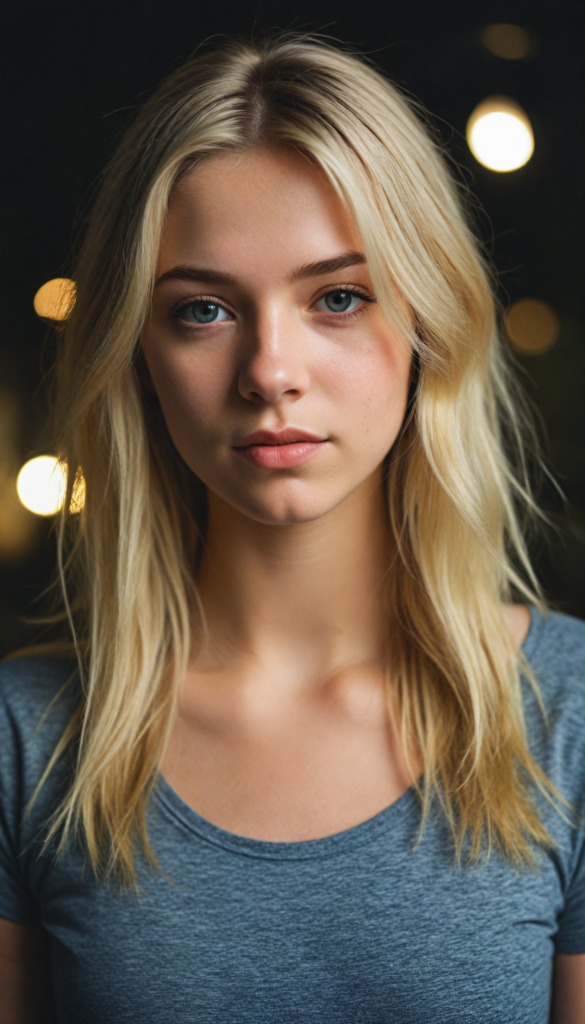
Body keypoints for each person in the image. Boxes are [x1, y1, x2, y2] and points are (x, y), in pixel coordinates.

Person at [0, 33, 583, 1024]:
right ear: (138, 352)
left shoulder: (566, 719)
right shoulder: (31, 738)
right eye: (204, 311)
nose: (271, 370)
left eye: (339, 297)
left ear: (428, 322)